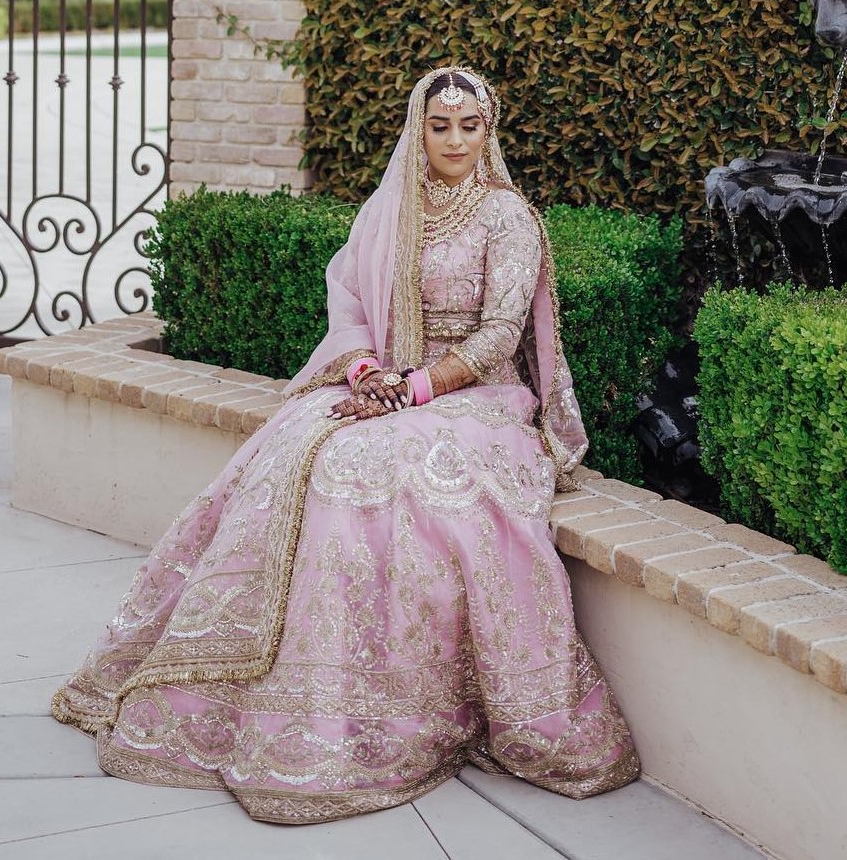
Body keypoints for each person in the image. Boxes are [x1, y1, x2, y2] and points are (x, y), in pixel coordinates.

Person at [52, 67, 640, 824]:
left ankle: (374, 704)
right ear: (418, 130)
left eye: (469, 125)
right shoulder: (391, 208)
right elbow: (352, 305)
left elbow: (501, 334)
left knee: (367, 465)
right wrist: (366, 371)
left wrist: (418, 388)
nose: (455, 140)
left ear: (488, 130)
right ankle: (249, 681)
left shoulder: (507, 217)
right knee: (294, 446)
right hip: (387, 380)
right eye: (440, 126)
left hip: (477, 399)